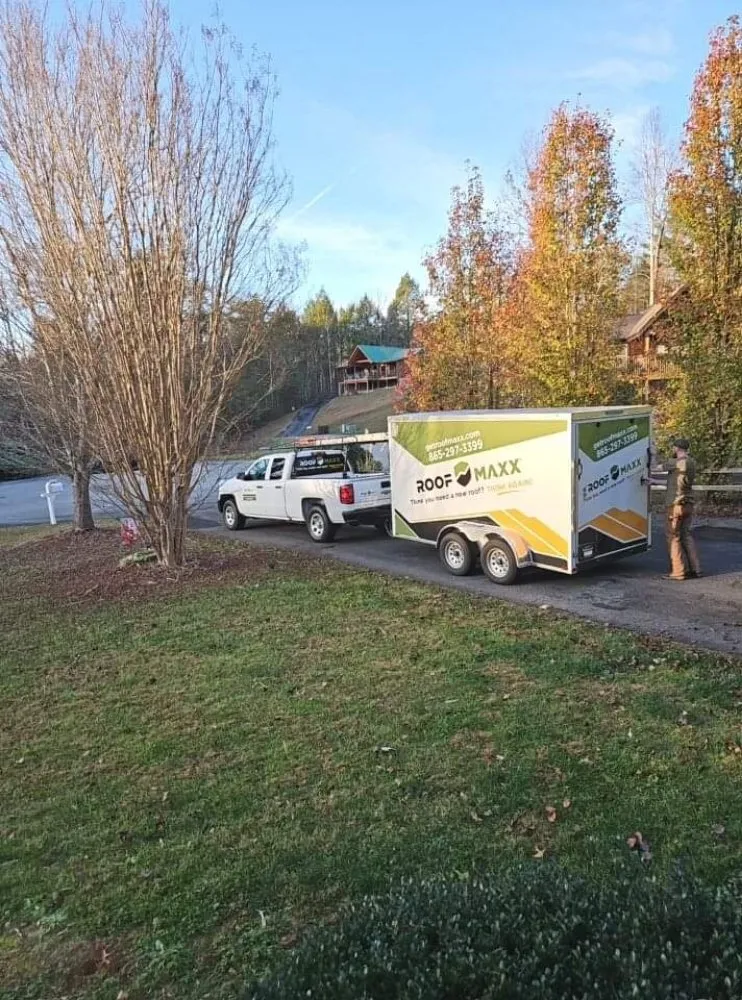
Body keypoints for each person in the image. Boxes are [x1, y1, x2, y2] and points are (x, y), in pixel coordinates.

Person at [664, 437, 701, 581]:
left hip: (675, 505)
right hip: (688, 503)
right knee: (686, 535)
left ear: (676, 448)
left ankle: (678, 571)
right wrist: (653, 481)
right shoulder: (691, 462)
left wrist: (652, 454)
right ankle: (695, 569)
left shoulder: (675, 462)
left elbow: (655, 467)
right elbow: (675, 479)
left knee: (673, 537)